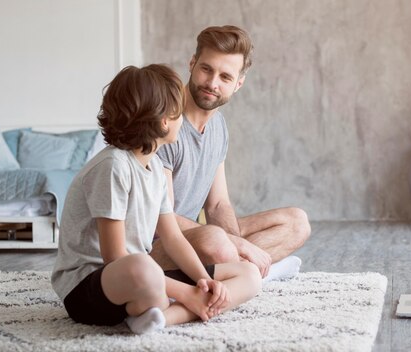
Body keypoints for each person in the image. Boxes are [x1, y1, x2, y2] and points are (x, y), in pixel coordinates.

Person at [51, 64, 261, 335]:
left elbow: (173, 239)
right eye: (179, 113)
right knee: (144, 267)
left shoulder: (155, 172)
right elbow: (114, 257)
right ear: (164, 121)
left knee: (248, 275)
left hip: (138, 278)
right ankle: (166, 306)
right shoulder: (114, 166)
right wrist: (186, 292)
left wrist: (204, 281)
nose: (183, 119)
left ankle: (161, 318)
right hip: (90, 288)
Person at [154, 25, 311, 281]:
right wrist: (235, 245)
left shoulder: (218, 126)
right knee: (216, 241)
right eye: (206, 69)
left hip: (197, 235)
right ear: (192, 63)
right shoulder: (164, 121)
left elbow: (217, 204)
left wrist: (237, 243)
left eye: (225, 77)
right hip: (159, 245)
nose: (212, 83)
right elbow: (162, 220)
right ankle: (249, 273)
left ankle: (241, 270)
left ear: (238, 84)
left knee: (296, 222)